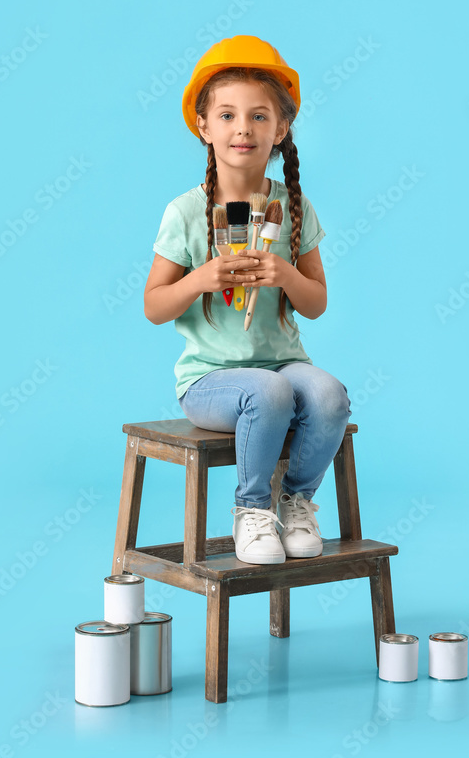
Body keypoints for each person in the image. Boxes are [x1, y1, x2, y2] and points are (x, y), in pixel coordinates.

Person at [144, 34, 352, 565]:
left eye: (260, 117)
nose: (244, 128)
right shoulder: (187, 212)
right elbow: (154, 306)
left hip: (284, 364)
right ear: (204, 126)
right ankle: (252, 509)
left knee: (328, 394)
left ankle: (297, 501)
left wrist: (284, 273)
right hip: (210, 379)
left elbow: (316, 302)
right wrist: (200, 279)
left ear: (280, 130)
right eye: (229, 115)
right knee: (269, 393)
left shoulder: (293, 206)